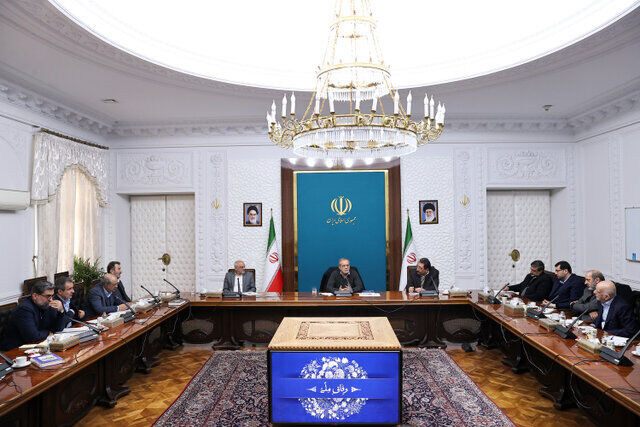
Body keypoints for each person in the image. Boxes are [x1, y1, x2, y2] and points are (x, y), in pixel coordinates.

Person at [0, 281, 66, 350]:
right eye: (48, 296)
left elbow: (58, 328)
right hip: (15, 350)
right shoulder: (24, 309)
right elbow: (33, 337)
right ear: (35, 296)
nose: (51, 299)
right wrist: (50, 332)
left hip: (37, 345)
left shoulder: (46, 305)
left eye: (52, 296)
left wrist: (61, 311)